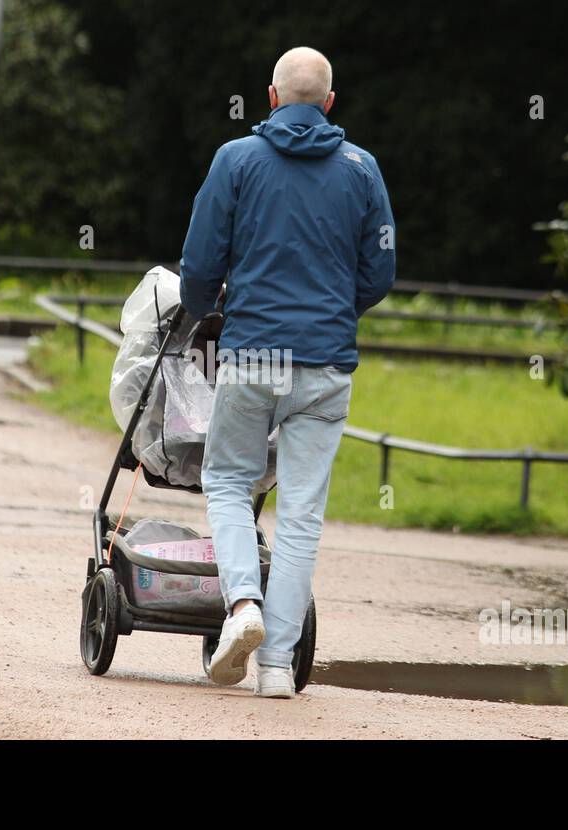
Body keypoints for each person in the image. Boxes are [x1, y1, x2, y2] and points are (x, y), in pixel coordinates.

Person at [179, 46, 396, 698]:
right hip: (327, 364)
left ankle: (241, 603)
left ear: (270, 98)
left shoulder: (235, 161)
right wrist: (336, 313)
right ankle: (276, 667)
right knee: (302, 515)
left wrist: (203, 311)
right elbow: (379, 272)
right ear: (329, 103)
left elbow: (199, 262)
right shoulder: (363, 169)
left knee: (226, 480)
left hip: (254, 354)